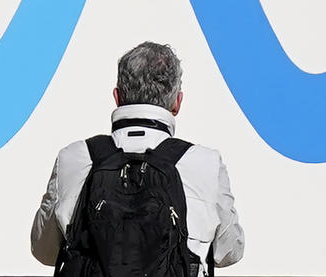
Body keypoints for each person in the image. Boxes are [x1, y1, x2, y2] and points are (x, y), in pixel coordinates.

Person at [30, 41, 244, 277]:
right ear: (177, 102)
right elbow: (229, 251)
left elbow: (44, 250)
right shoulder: (205, 163)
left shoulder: (74, 157)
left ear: (117, 96)